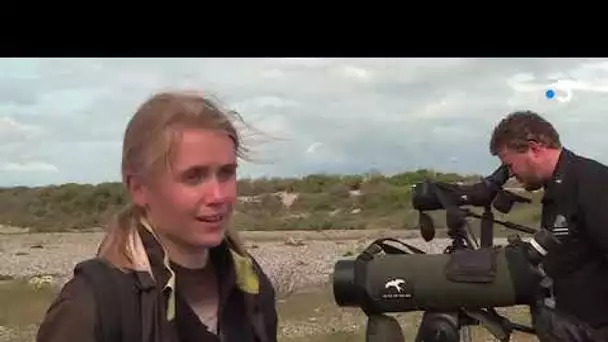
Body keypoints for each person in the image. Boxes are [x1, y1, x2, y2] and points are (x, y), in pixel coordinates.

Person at [36, 91, 279, 342]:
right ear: (138, 187)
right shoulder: (92, 306)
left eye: (227, 173)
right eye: (194, 177)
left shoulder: (251, 287)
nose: (218, 196)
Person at [489, 110, 608, 340]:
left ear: (534, 148)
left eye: (511, 165)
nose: (512, 174)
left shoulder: (593, 184)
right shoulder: (557, 189)